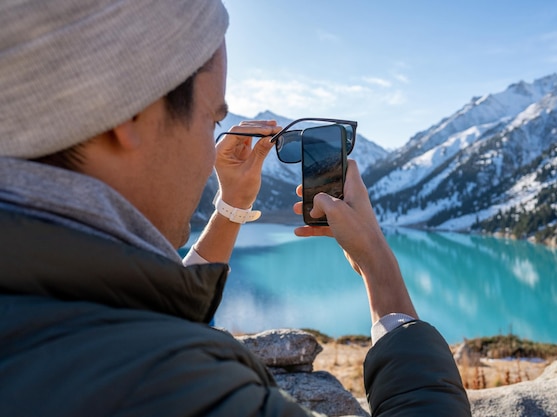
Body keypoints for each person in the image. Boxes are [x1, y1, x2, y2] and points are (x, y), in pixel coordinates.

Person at [0, 1, 471, 416]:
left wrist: (232, 207)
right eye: (213, 120)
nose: (213, 153)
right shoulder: (184, 390)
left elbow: (131, 311)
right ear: (130, 113)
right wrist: (380, 269)